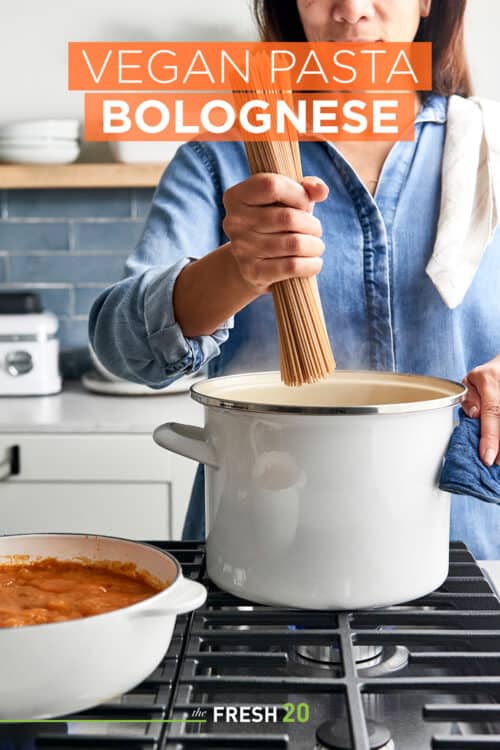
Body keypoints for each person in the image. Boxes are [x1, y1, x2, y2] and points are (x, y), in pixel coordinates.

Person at [89, 0, 500, 559]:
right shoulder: (221, 159)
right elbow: (124, 346)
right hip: (265, 539)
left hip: (469, 547)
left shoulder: (489, 149)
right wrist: (240, 266)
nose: (351, 9)